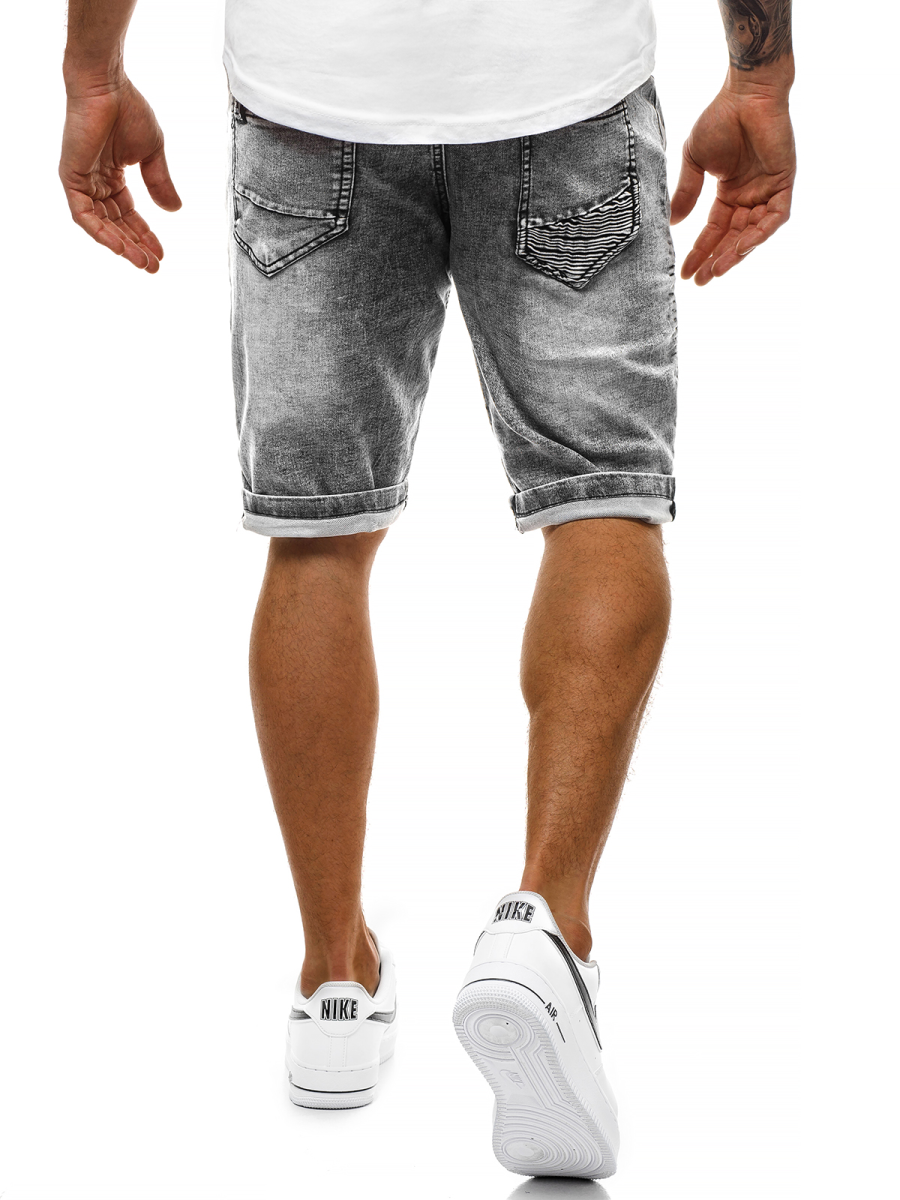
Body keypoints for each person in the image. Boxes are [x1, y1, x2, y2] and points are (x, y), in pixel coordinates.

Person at [58, 0, 796, 1180]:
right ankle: (546, 930)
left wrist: (93, 70)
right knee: (603, 501)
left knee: (318, 538)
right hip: (562, 81)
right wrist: (763, 73)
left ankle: (333, 983)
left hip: (316, 90)